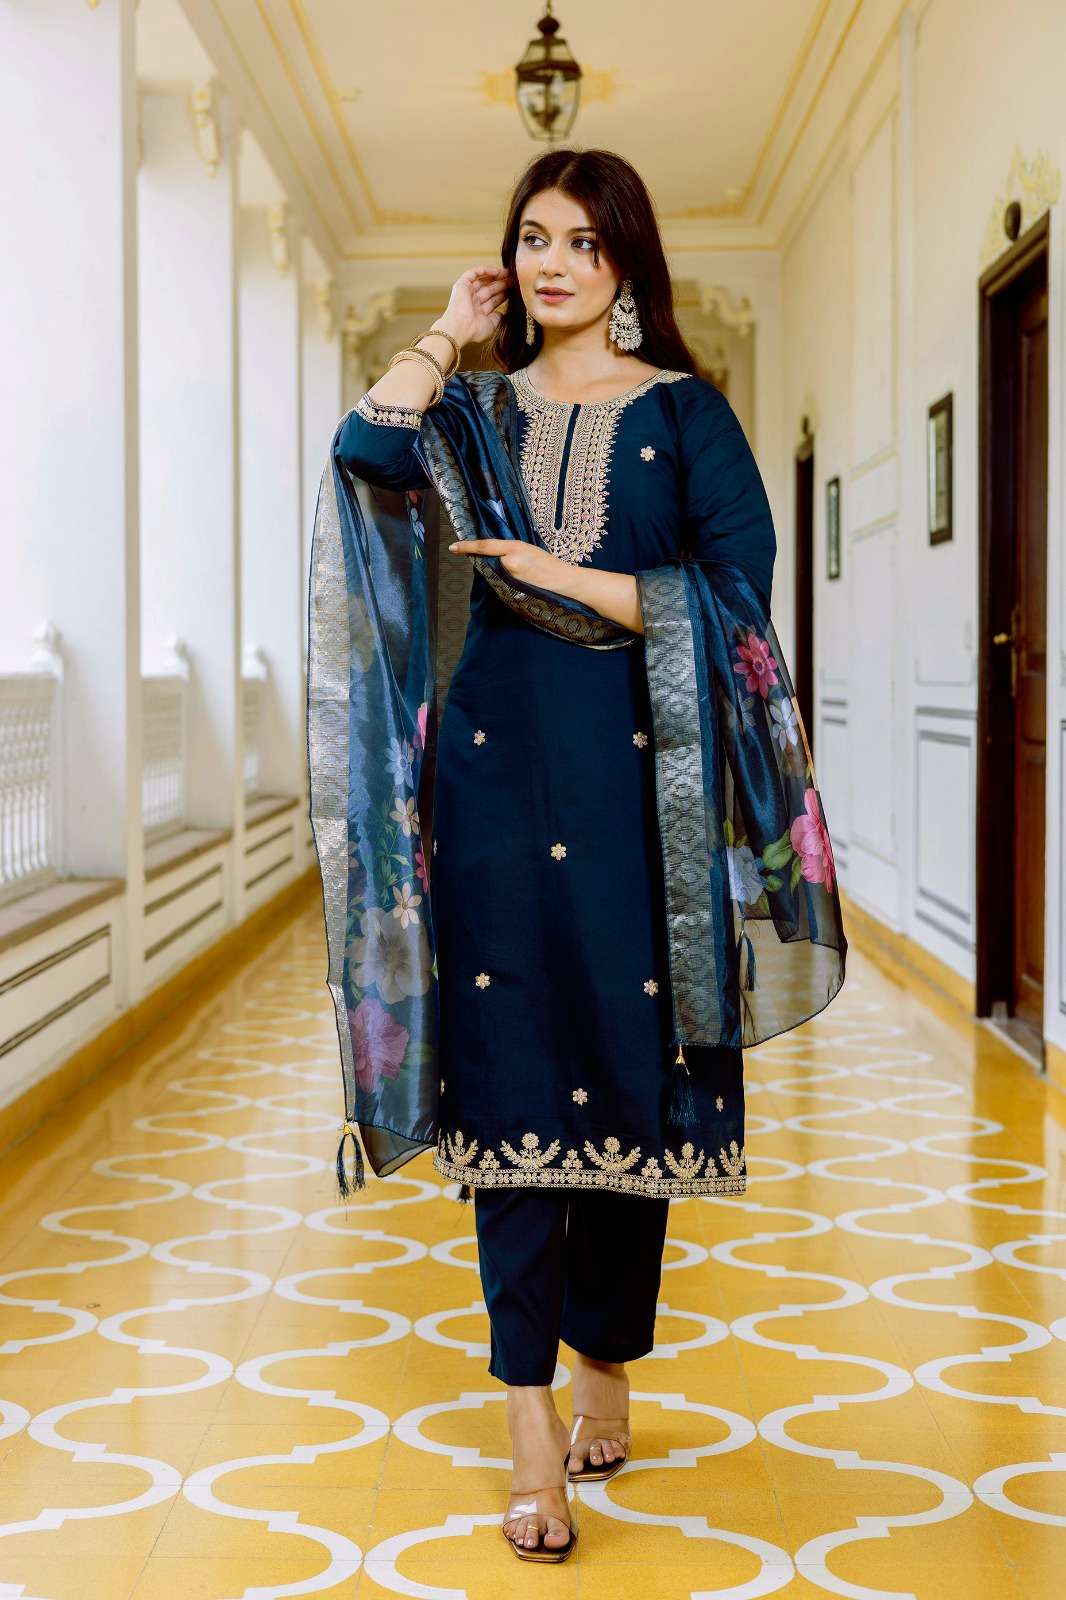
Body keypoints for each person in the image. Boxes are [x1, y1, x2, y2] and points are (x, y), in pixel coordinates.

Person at [307, 147, 846, 1563]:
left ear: (626, 263)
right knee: (510, 1078)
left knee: (625, 1060)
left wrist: (558, 573)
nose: (554, 264)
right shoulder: (473, 412)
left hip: (638, 789)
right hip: (489, 784)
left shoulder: (684, 414)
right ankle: (530, 1420)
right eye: (533, 239)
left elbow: (738, 598)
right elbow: (363, 456)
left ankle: (607, 1352)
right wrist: (446, 331)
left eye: (583, 243)